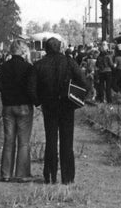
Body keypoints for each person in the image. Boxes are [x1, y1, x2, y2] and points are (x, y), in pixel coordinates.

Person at [34, 37, 87, 185]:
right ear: (60, 47)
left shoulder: (39, 64)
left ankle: (50, 176)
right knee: (67, 142)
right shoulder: (69, 62)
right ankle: (67, 178)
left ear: (46, 49)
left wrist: (38, 102)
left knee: (51, 140)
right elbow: (83, 81)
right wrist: (78, 101)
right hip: (66, 106)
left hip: (49, 106)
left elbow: (32, 87)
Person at [0, 40, 38, 182]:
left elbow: (1, 86)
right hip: (24, 106)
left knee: (8, 140)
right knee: (23, 142)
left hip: (8, 106)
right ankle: (21, 174)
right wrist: (36, 102)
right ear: (22, 51)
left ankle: (5, 174)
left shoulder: (4, 67)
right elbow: (31, 87)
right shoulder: (28, 67)